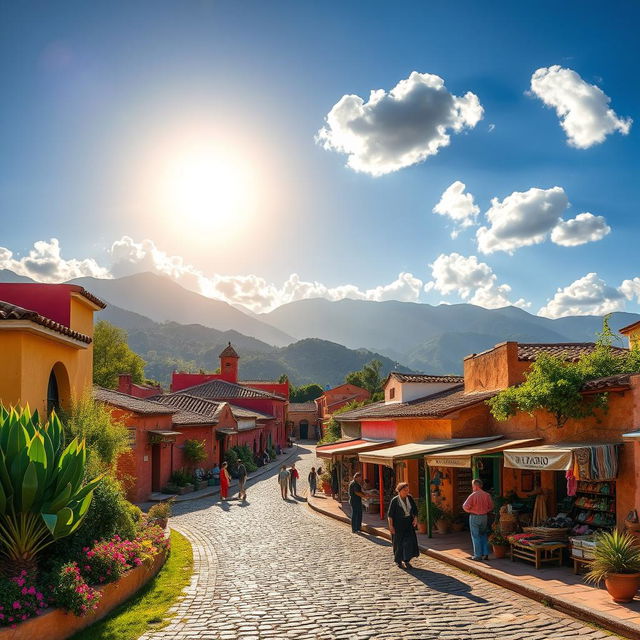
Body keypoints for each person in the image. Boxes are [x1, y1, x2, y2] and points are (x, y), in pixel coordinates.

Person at [387, 482, 419, 569]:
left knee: (409, 541)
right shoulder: (395, 501)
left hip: (408, 523)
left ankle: (407, 560)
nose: (407, 492)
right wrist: (391, 526)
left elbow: (415, 510)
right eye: (405, 490)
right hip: (398, 524)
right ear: (400, 491)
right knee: (399, 543)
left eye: (407, 490)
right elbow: (390, 515)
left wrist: (415, 519)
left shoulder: (409, 498)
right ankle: (398, 560)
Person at [462, 478, 494, 561]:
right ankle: (486, 553)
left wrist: (470, 510)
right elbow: (491, 507)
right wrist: (485, 511)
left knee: (475, 536)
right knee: (483, 534)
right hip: (484, 516)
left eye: (472, 485)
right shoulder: (487, 495)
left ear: (475, 486)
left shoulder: (473, 495)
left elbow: (465, 506)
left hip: (474, 516)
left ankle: (477, 555)